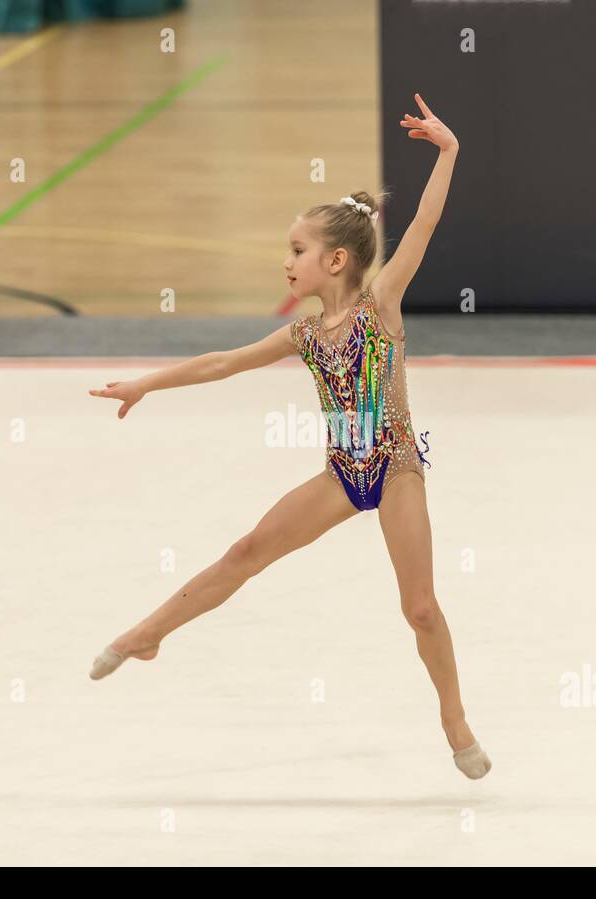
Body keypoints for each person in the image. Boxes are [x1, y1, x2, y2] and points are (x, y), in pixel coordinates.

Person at [88, 94, 489, 780]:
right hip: (341, 475)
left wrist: (448, 152)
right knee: (245, 550)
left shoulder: (380, 306)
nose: (287, 262)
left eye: (296, 251)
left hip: (394, 471)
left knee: (419, 607)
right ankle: (148, 634)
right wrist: (146, 384)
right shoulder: (302, 335)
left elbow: (422, 224)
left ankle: (454, 719)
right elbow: (221, 362)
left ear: (336, 261)